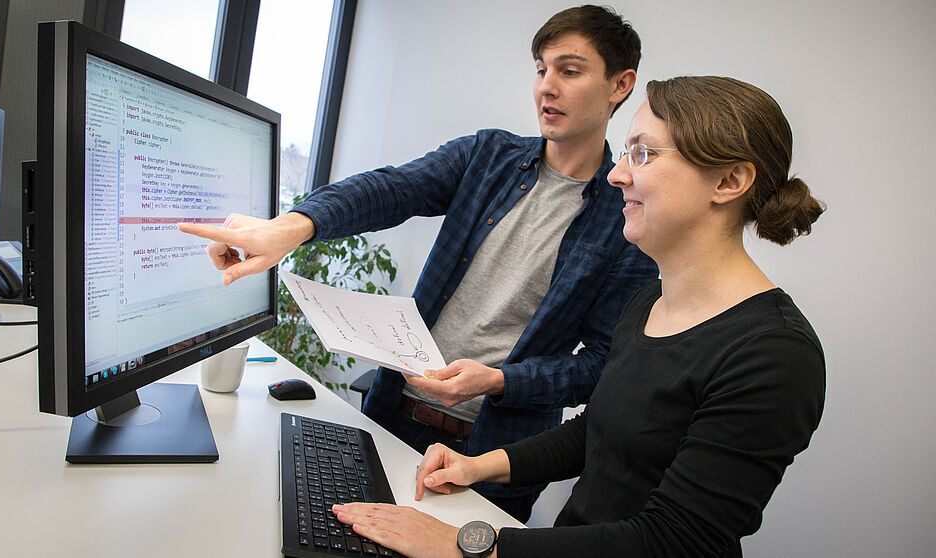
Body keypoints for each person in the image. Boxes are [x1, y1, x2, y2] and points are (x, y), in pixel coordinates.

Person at [178, 5, 658, 522]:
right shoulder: (488, 156)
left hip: (494, 456)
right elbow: (392, 188)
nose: (546, 87)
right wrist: (292, 227)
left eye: (569, 70)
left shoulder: (626, 216)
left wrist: (499, 380)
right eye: (540, 69)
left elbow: (600, 365)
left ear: (619, 85)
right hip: (392, 413)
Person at [328, 75, 827, 558]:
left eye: (644, 154)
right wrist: (478, 466)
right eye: (626, 151)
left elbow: (671, 541)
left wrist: (461, 545)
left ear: (729, 180)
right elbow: (598, 432)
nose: (617, 174)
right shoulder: (648, 303)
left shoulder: (774, 354)